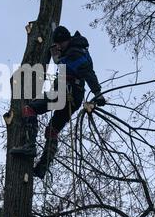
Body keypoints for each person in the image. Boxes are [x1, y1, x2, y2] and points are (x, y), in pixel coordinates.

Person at [10, 26, 106, 179]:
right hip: (73, 98)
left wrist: (97, 93)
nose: (58, 47)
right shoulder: (74, 51)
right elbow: (66, 64)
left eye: (60, 44)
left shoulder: (75, 53)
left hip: (64, 92)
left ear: (65, 40)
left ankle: (29, 146)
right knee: (52, 131)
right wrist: (58, 58)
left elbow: (88, 72)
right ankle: (43, 167)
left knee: (29, 109)